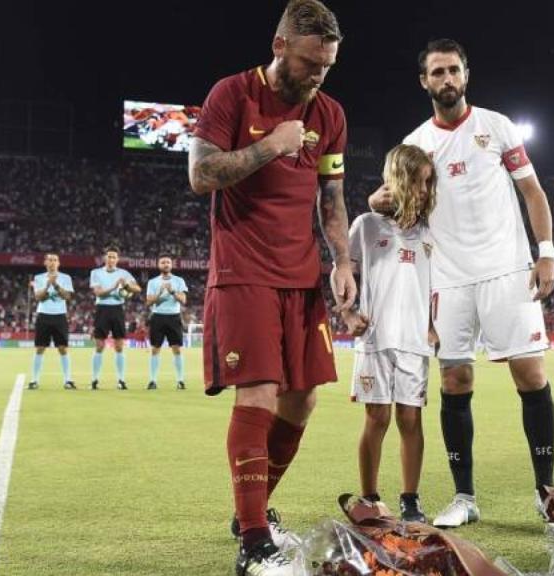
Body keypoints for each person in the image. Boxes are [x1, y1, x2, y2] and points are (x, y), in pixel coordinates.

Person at [187, 1, 355, 573]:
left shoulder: (329, 113)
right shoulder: (232, 95)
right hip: (245, 269)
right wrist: (271, 146)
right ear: (280, 45)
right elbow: (200, 174)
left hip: (303, 274)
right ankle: (255, 541)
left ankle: (250, 510)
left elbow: (331, 199)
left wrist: (343, 263)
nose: (318, 75)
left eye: (328, 65)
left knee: (302, 399)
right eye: (311, 62)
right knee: (257, 393)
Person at [369, 38, 554, 528]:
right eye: (437, 72)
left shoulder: (497, 126)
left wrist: (546, 254)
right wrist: (380, 202)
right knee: (456, 381)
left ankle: (545, 491)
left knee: (531, 377)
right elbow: (391, 203)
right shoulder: (415, 145)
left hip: (507, 269)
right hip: (448, 278)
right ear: (424, 82)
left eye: (453, 70)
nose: (446, 79)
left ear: (466, 75)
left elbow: (532, 192)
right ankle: (464, 497)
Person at [344, 144, 437, 523]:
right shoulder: (365, 225)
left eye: (429, 183)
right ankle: (369, 497)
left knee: (411, 421)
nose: (425, 190)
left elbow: (438, 286)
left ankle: (410, 500)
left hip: (414, 341)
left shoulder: (432, 233)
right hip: (375, 338)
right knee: (377, 417)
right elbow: (344, 275)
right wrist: (349, 314)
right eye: (420, 182)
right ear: (401, 179)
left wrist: (434, 325)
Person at [89, 246, 141, 390]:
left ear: (117, 259)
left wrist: (127, 286)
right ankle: (94, 380)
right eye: (109, 256)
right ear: (105, 258)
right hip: (102, 309)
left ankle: (121, 380)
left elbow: (138, 289)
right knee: (99, 345)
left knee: (119, 346)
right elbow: (98, 293)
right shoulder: (96, 273)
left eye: (114, 257)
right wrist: (114, 287)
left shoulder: (124, 273)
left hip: (117, 309)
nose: (111, 259)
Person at [27, 253, 75, 390]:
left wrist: (57, 285)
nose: (52, 262)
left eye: (55, 260)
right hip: (44, 315)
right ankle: (34, 380)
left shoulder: (66, 278)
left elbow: (68, 297)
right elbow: (38, 297)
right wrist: (48, 285)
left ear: (58, 263)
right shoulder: (39, 278)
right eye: (50, 260)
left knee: (63, 348)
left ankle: (68, 380)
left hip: (60, 315)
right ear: (45, 263)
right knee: (40, 348)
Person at [145, 255, 188, 390]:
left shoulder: (179, 281)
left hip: (174, 317)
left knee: (176, 349)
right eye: (163, 262)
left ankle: (180, 381)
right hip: (157, 317)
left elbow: (183, 300)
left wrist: (172, 291)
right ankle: (152, 381)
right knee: (155, 349)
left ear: (171, 264)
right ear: (159, 264)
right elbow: (149, 302)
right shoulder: (152, 282)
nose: (166, 264)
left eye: (168, 262)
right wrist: (160, 293)